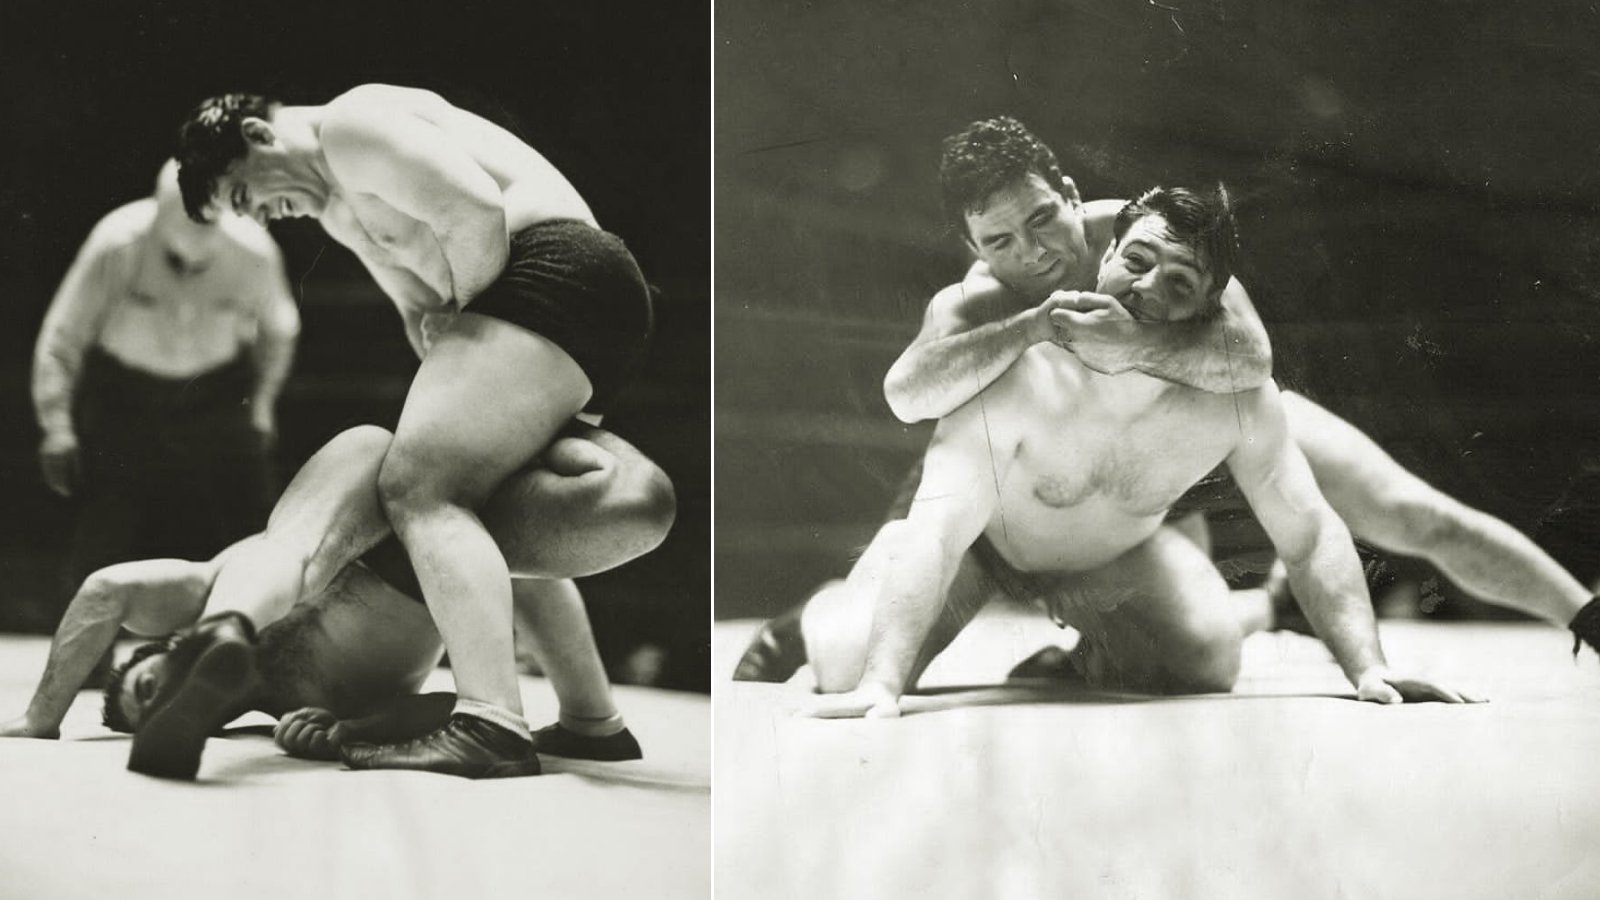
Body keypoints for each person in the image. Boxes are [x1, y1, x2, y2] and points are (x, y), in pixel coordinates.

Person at [735, 117, 1600, 684]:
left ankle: (1589, 615)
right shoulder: (982, 299)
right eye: (1000, 241)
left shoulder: (1145, 237)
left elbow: (1251, 356)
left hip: (1175, 429)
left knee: (1402, 512)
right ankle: (831, 616)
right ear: (973, 244)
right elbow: (908, 390)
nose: (1034, 252)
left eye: (1044, 220)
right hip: (1021, 472)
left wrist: (1139, 346)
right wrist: (1031, 327)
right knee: (901, 606)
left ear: (1075, 197)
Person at [802, 185, 1478, 717]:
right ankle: (841, 597)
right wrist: (882, 684)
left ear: (1209, 308)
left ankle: (1080, 657)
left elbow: (1308, 534)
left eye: (1180, 282)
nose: (1150, 288)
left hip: (1111, 562)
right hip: (980, 550)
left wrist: (1370, 669)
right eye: (1137, 261)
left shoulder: (1235, 400)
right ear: (1104, 256)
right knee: (843, 668)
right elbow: (938, 530)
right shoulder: (1019, 373)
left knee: (1207, 661)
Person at [171, 84, 657, 775]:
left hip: (554, 274)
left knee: (418, 490)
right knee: (487, 506)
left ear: (258, 136)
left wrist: (468, 335)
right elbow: (416, 308)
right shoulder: (336, 205)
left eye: (246, 196)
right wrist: (455, 374)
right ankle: (592, 721)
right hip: (573, 299)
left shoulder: (351, 124)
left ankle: (491, 725)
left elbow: (477, 212)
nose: (263, 218)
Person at [0, 422, 676, 779]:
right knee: (633, 504)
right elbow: (452, 705)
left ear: (166, 645)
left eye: (152, 683)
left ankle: (592, 722)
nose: (167, 697)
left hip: (364, 491)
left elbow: (105, 591)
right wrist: (357, 731)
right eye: (157, 710)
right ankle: (595, 724)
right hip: (441, 559)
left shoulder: (201, 592)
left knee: (294, 550)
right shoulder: (300, 718)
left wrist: (41, 717)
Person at [31, 159, 298, 616]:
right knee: (105, 529)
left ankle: (263, 638)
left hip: (215, 395)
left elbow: (281, 331)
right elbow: (63, 335)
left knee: (252, 523)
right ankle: (90, 646)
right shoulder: (118, 242)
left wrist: (261, 406)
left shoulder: (253, 250)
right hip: (127, 397)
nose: (190, 265)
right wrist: (56, 424)